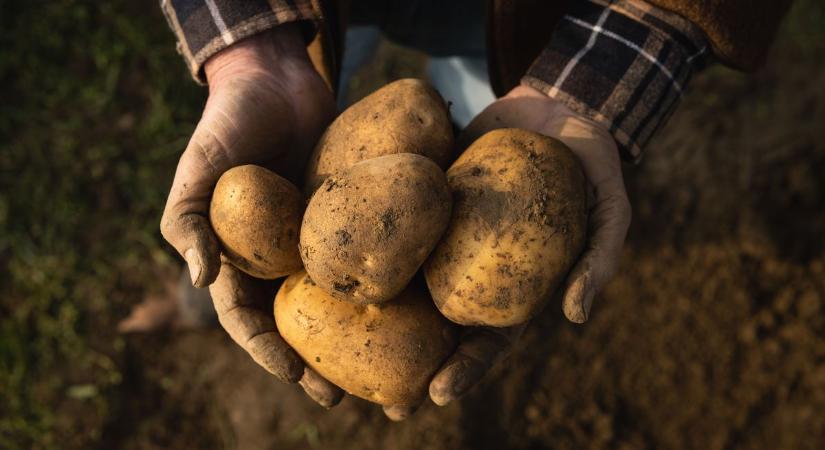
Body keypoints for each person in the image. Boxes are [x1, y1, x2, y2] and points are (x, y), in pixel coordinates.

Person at [140, 0, 792, 421]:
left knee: (479, 117)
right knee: (240, 212)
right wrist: (248, 49)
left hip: (543, 21)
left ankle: (203, 283)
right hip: (311, 11)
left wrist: (624, 52)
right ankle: (199, 287)